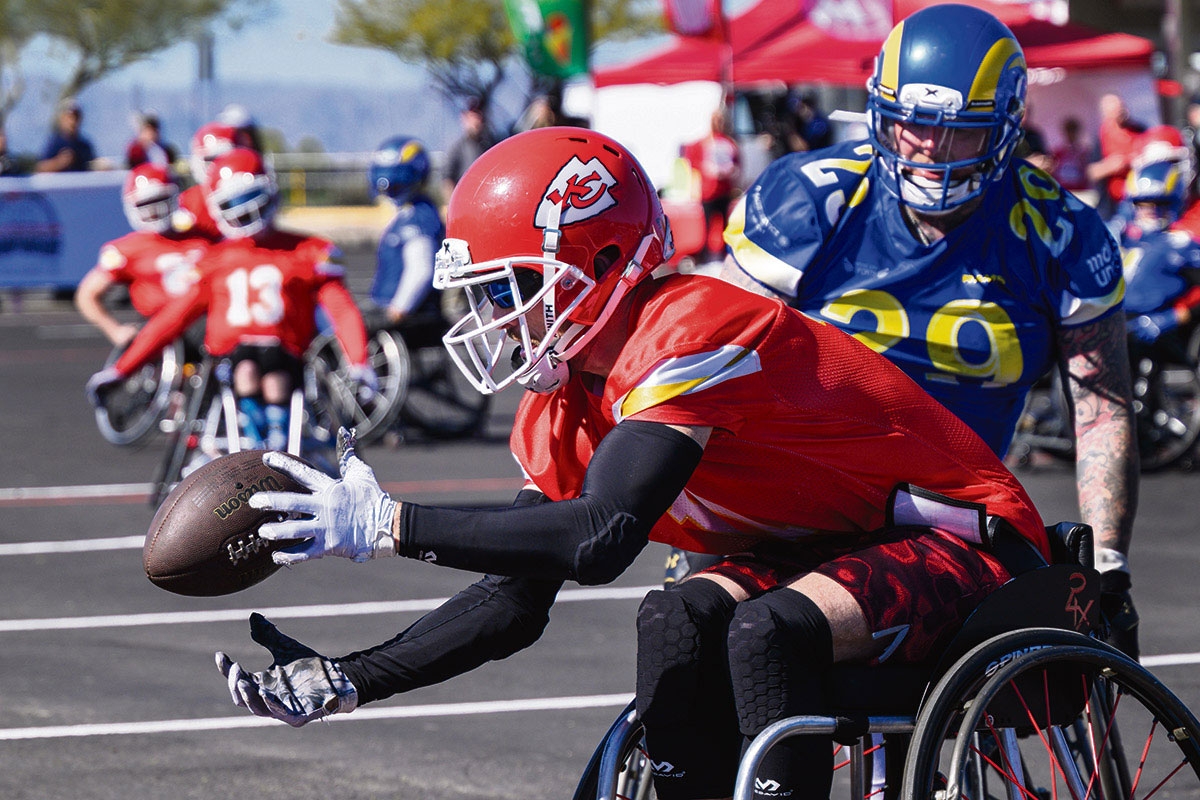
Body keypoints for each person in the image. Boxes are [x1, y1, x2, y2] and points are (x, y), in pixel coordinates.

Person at [212, 127, 1049, 800]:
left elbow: (600, 537)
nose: (491, 317)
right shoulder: (567, 399)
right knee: (673, 621)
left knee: (765, 632)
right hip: (825, 547)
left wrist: (390, 526)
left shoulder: (694, 325)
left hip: (964, 540)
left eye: (509, 290)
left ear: (602, 262)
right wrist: (349, 678)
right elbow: (512, 603)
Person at [715, 4, 1140, 657]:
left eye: (957, 130)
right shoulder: (815, 197)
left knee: (785, 640)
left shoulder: (1061, 234)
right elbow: (709, 358)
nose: (927, 146)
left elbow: (1100, 410)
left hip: (951, 518)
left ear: (1005, 129)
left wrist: (1108, 563)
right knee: (687, 632)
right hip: (800, 502)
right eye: (912, 122)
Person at [86, 148, 374, 452]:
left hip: (279, 354)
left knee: (265, 374)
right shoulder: (298, 251)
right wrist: (123, 367)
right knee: (250, 371)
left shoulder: (232, 256)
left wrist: (123, 369)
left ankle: (268, 438)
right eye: (234, 204)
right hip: (240, 359)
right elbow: (171, 320)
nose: (244, 211)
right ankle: (264, 436)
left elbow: (170, 321)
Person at [74, 163, 210, 347]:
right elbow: (87, 294)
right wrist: (114, 330)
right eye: (146, 204)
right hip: (156, 333)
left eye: (160, 201)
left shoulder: (202, 240)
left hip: (201, 327)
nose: (154, 211)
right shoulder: (126, 250)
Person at [366, 135, 444, 326]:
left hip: (409, 318)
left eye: (397, 184)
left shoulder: (419, 215)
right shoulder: (408, 212)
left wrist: (399, 309)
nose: (390, 189)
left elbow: (421, 270)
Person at [681, 106, 741, 263]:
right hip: (708, 191)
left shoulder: (728, 143)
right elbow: (692, 163)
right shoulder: (704, 143)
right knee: (707, 226)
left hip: (724, 191)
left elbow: (737, 164)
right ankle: (706, 256)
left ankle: (723, 255)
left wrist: (730, 172)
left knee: (724, 227)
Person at [174, 121, 240, 242]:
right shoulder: (188, 203)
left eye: (224, 158)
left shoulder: (247, 192)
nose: (217, 165)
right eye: (211, 160)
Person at [1087, 92, 1146, 219]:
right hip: (1113, 204)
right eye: (1114, 110)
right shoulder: (1100, 137)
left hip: (1140, 198)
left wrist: (1133, 161)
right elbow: (1091, 172)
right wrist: (1110, 166)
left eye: (1120, 108)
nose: (1120, 112)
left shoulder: (1140, 131)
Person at [441, 96, 496, 203]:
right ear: (464, 118)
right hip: (465, 203)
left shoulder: (490, 145)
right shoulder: (457, 148)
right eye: (472, 116)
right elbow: (447, 179)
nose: (476, 121)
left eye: (479, 116)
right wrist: (452, 203)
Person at [35, 97, 95, 173]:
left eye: (76, 117)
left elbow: (91, 166)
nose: (73, 122)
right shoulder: (54, 143)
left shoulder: (84, 146)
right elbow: (40, 168)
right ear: (62, 119)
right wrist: (59, 163)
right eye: (70, 117)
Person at [1051, 116, 1094, 196]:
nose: (1071, 134)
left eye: (1073, 131)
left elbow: (1089, 172)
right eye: (1069, 131)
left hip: (1081, 192)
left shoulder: (1085, 152)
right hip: (1063, 191)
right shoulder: (1058, 153)